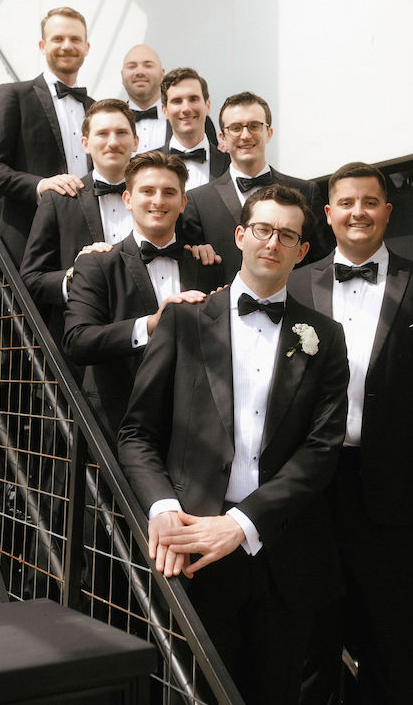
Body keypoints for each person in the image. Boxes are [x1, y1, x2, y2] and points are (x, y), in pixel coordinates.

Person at [118, 184, 349, 705]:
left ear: (301, 251)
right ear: (241, 235)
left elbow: (321, 451)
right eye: (263, 229)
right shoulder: (182, 320)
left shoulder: (326, 336)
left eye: (287, 235)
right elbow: (136, 433)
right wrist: (162, 508)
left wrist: (242, 523)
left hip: (283, 553)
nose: (273, 242)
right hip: (192, 548)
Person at [290, 161, 413, 705]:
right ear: (328, 214)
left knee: (394, 643)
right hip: (308, 492)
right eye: (347, 203)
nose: (359, 213)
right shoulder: (293, 284)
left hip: (398, 494)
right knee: (310, 641)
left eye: (370, 202)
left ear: (387, 212)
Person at [62, 150, 223, 445]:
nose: (158, 201)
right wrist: (150, 324)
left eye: (169, 192)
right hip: (116, 424)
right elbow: (78, 341)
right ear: (128, 199)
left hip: (192, 430)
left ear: (183, 202)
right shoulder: (97, 264)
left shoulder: (207, 265)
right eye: (147, 191)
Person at [0, 6, 94, 266]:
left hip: (89, 237)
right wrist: (41, 185)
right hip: (29, 237)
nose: (67, 45)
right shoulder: (13, 95)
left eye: (75, 39)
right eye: (58, 38)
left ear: (86, 47)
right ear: (42, 45)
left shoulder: (97, 109)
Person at [20, 99, 138, 335]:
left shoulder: (157, 198)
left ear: (135, 141)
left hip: (148, 334)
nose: (113, 142)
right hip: (80, 335)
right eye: (102, 133)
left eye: (121, 133)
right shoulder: (59, 200)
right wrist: (74, 276)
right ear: (85, 144)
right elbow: (31, 279)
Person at [182, 91, 326, 282]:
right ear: (222, 137)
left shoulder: (306, 192)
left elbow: (321, 264)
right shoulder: (198, 202)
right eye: (235, 128)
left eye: (254, 126)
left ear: (269, 133)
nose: (245, 135)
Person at [160, 67, 230, 188]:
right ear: (164, 111)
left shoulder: (231, 162)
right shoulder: (145, 165)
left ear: (207, 106)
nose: (186, 109)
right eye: (177, 101)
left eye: (193, 99)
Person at [121, 44, 168, 153]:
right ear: (122, 76)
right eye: (132, 66)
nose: (140, 72)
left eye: (148, 66)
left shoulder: (183, 118)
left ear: (162, 75)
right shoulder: (111, 121)